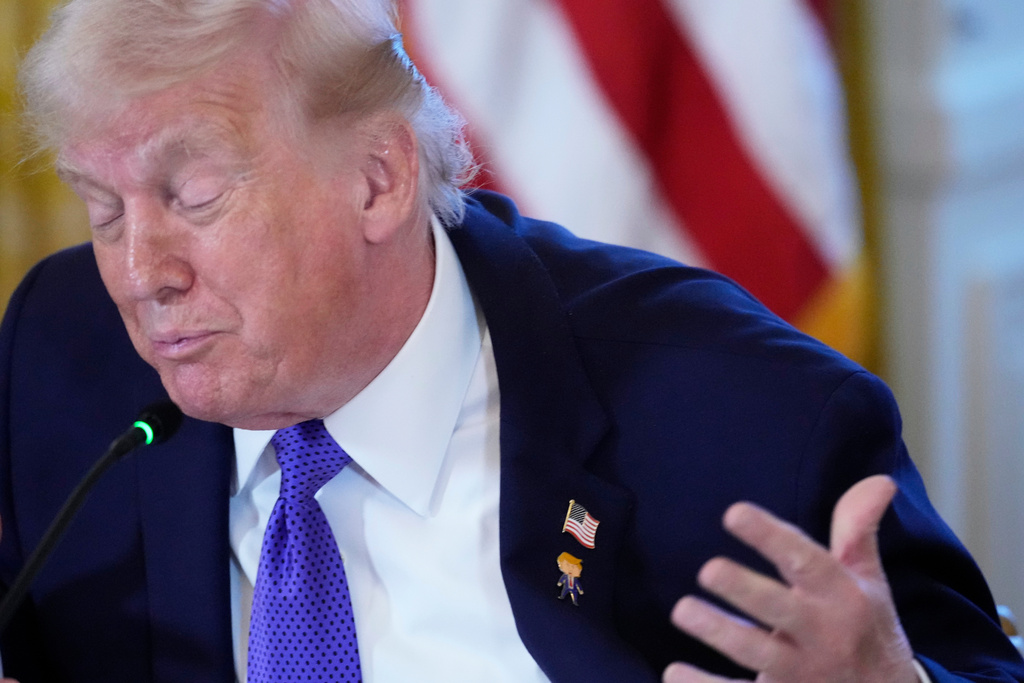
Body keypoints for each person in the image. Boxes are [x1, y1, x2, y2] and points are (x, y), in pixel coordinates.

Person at [0, 0, 1021, 681]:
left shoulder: (744, 424)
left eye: (195, 195)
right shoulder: (63, 355)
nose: (140, 273)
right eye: (103, 209)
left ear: (377, 178)